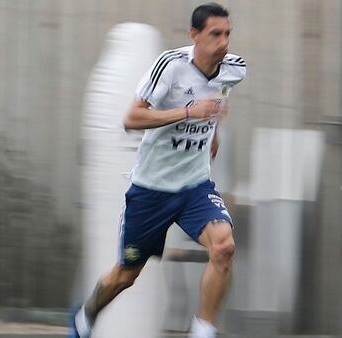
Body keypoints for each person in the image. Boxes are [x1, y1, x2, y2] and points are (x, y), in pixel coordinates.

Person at [70, 3, 245, 338]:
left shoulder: (234, 69)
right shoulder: (170, 66)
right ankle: (88, 312)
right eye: (215, 34)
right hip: (152, 189)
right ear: (194, 35)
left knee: (224, 246)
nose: (223, 42)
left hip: (195, 185)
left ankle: (203, 329)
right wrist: (189, 113)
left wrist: (213, 131)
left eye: (227, 34)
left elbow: (217, 99)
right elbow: (131, 119)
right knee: (126, 275)